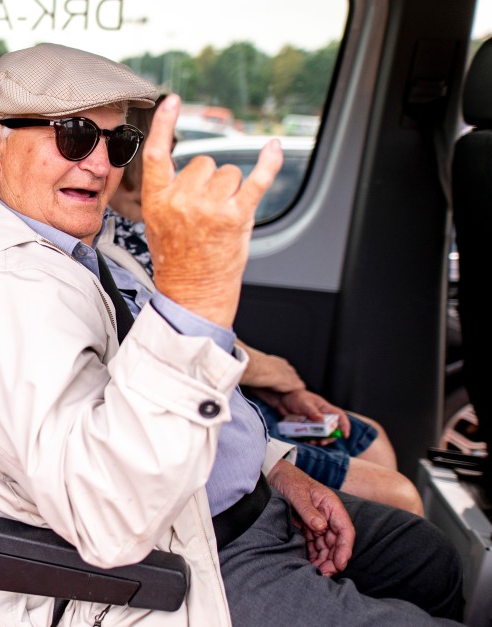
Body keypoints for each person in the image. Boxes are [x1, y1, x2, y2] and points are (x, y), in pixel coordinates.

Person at [0, 43, 463, 626]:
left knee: (430, 560)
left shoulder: (56, 242)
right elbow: (107, 514)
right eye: (73, 136)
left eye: (117, 143)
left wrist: (276, 469)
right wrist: (193, 290)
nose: (100, 166)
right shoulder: (4, 287)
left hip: (230, 512)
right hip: (177, 569)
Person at [99, 98, 423, 515]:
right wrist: (273, 373)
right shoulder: (116, 243)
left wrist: (277, 385)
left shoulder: (143, 227)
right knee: (397, 493)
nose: (172, 166)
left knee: (369, 436)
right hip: (204, 422)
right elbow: (181, 339)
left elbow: (202, 327)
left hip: (227, 399)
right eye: (164, 149)